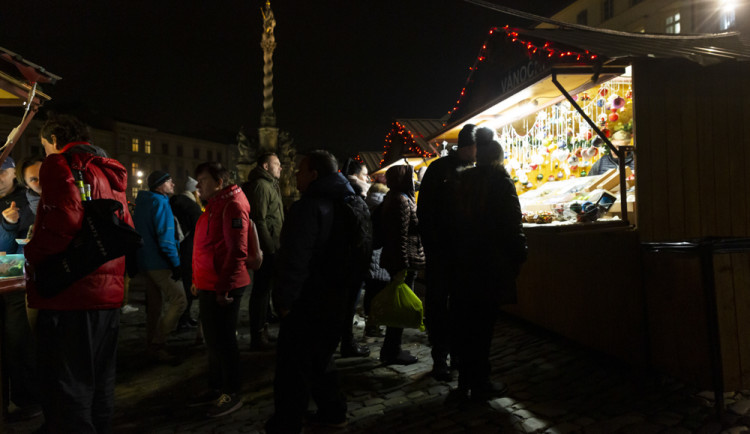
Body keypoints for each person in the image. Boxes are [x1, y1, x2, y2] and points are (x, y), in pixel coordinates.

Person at [25, 114, 133, 432]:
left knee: (67, 383)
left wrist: (32, 253)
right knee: (100, 379)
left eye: (45, 146)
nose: (46, 153)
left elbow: (62, 226)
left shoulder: (60, 164)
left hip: (71, 292)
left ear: (54, 140)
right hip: (107, 290)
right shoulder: (108, 169)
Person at [266, 150, 361, 433]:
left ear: (314, 175)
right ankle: (334, 413)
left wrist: (283, 300)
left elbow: (294, 259)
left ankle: (286, 423)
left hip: (308, 299)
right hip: (337, 297)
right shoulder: (351, 201)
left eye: (299, 170)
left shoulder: (308, 207)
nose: (294, 174)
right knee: (320, 358)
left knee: (292, 368)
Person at [453, 139, 527, 401]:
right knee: (483, 326)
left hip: (463, 263)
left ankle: (464, 381)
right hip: (490, 263)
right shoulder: (500, 182)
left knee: (465, 324)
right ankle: (480, 381)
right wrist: (520, 255)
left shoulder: (461, 182)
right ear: (499, 157)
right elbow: (511, 223)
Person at [188, 162, 252, 418]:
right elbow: (207, 246)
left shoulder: (232, 204)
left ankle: (232, 391)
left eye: (203, 179)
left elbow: (236, 251)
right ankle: (215, 387)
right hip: (209, 283)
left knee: (224, 341)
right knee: (213, 341)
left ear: (220, 180)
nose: (198, 185)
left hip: (224, 286)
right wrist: (197, 278)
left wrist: (223, 287)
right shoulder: (215, 204)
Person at [417, 123, 477, 381]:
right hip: (442, 252)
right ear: (469, 147)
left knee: (462, 305)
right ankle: (440, 356)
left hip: (464, 253)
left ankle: (457, 355)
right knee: (439, 305)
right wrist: (433, 246)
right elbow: (425, 212)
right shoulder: (439, 169)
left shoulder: (474, 172)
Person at [0, 155, 40, 422]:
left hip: (13, 282)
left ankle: (26, 398)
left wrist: (9, 226)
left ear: (12, 172)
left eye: (1, 173)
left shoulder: (27, 200)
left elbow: (14, 250)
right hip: (7, 276)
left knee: (18, 344)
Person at [134, 170, 187, 363]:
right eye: (169, 181)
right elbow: (166, 240)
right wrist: (176, 264)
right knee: (180, 299)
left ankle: (151, 346)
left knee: (154, 306)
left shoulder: (144, 202)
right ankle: (158, 343)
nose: (173, 184)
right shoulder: (161, 203)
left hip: (146, 261)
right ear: (159, 186)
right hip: (160, 262)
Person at [378, 164, 425, 365]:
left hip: (399, 260)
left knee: (398, 305)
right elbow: (400, 235)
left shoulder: (394, 198)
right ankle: (392, 350)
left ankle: (392, 348)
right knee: (399, 306)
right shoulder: (401, 200)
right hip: (403, 262)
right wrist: (403, 265)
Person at [241, 152, 284, 351]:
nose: (281, 167)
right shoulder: (261, 186)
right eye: (277, 164)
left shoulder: (269, 185)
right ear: (266, 166)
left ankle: (263, 330)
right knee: (260, 291)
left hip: (272, 247)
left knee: (264, 291)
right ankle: (257, 335)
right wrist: (269, 249)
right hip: (267, 249)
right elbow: (259, 220)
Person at [338, 158, 371, 358]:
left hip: (348, 260)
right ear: (356, 176)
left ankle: (344, 341)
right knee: (348, 304)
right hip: (351, 262)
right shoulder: (353, 195)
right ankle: (346, 342)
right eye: (365, 174)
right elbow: (360, 233)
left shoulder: (347, 193)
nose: (367, 178)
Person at [170, 176, 203, 330]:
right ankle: (184, 318)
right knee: (189, 285)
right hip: (189, 249)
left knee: (184, 284)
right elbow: (199, 230)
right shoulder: (192, 206)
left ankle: (184, 317)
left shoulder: (174, 202)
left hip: (178, 248)